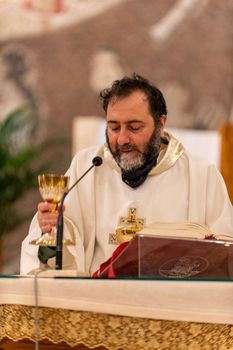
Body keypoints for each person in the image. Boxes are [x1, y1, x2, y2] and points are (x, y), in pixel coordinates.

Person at [20, 73, 233, 275]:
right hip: (99, 303)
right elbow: (63, 251)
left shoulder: (200, 174)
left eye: (134, 127)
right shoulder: (88, 166)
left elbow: (224, 251)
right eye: (114, 127)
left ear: (161, 124)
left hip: (170, 306)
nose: (122, 139)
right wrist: (51, 229)